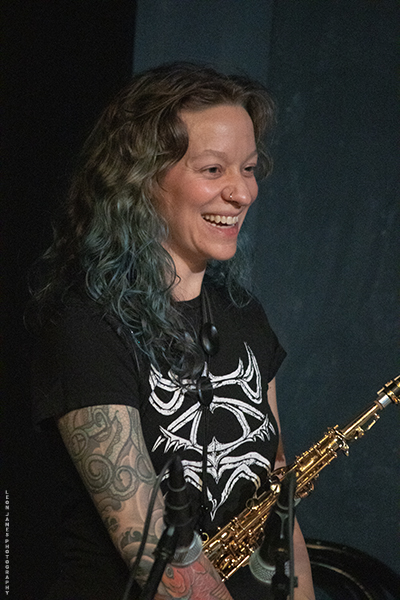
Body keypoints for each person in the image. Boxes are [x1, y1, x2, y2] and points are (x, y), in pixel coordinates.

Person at [30, 62, 315, 600]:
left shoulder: (243, 315)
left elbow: (278, 504)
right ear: (142, 179)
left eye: (249, 168)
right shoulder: (88, 324)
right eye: (213, 169)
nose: (242, 193)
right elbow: (152, 548)